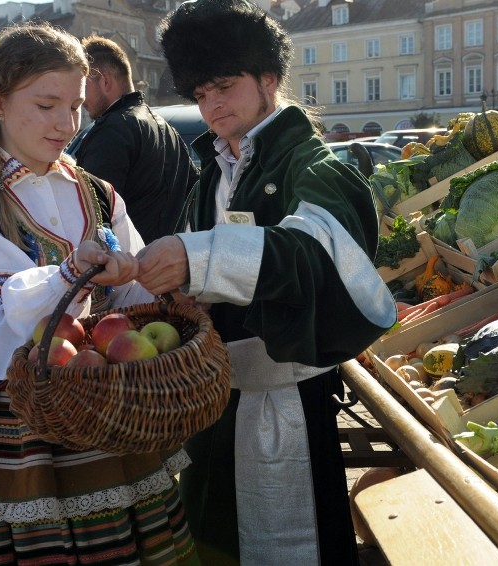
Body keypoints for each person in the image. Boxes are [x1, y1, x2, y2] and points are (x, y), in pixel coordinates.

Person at [0, 23, 199, 564]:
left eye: (74, 107)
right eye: (47, 105)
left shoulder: (96, 191)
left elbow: (135, 299)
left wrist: (136, 276)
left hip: (107, 396)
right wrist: (73, 271)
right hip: (20, 417)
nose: (66, 124)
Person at [137, 1, 398, 563]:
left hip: (284, 404)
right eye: (200, 94)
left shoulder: (315, 167)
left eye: (224, 87)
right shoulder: (213, 167)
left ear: (269, 79)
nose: (211, 106)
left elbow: (313, 256)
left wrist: (194, 257)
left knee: (285, 544)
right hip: (214, 403)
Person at [74, 35, 198, 245]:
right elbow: (194, 196)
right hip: (170, 263)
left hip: (129, 269)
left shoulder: (111, 131)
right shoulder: (166, 127)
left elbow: (91, 215)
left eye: (82, 84)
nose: (80, 98)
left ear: (105, 80)